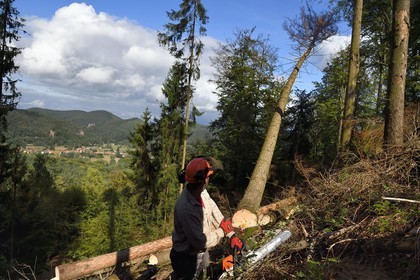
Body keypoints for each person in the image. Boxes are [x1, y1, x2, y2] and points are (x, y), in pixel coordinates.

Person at [170, 157, 243, 280]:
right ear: (204, 180)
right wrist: (222, 232)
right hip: (187, 259)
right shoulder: (186, 208)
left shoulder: (201, 191)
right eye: (208, 176)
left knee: (202, 273)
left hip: (200, 253)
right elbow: (199, 241)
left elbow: (214, 211)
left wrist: (231, 234)